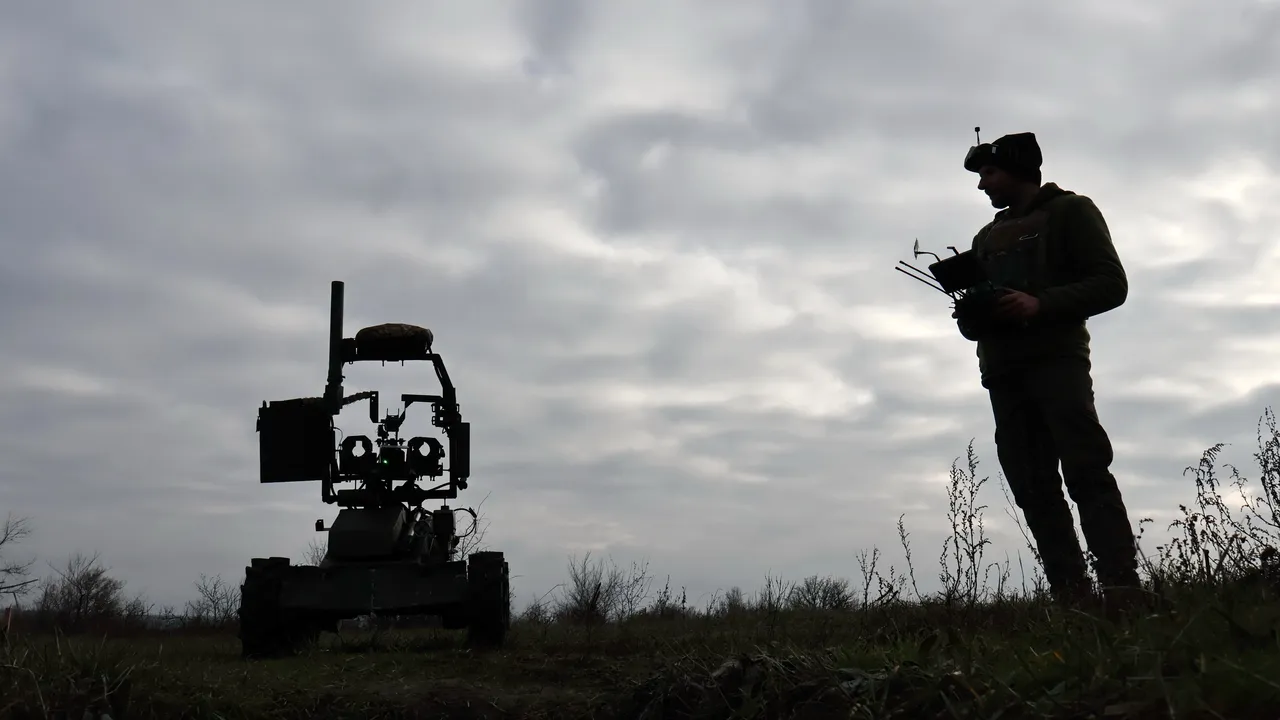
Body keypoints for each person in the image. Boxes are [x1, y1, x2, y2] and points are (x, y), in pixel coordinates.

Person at [954, 130, 1144, 616]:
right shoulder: (985, 238)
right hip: (1003, 374)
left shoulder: (1071, 212)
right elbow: (977, 324)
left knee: (1086, 468)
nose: (982, 186)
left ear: (1017, 169)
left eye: (988, 174)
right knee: (1031, 485)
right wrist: (973, 313)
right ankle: (1072, 597)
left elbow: (1111, 284)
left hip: (1057, 363)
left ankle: (1123, 590)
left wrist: (1040, 304)